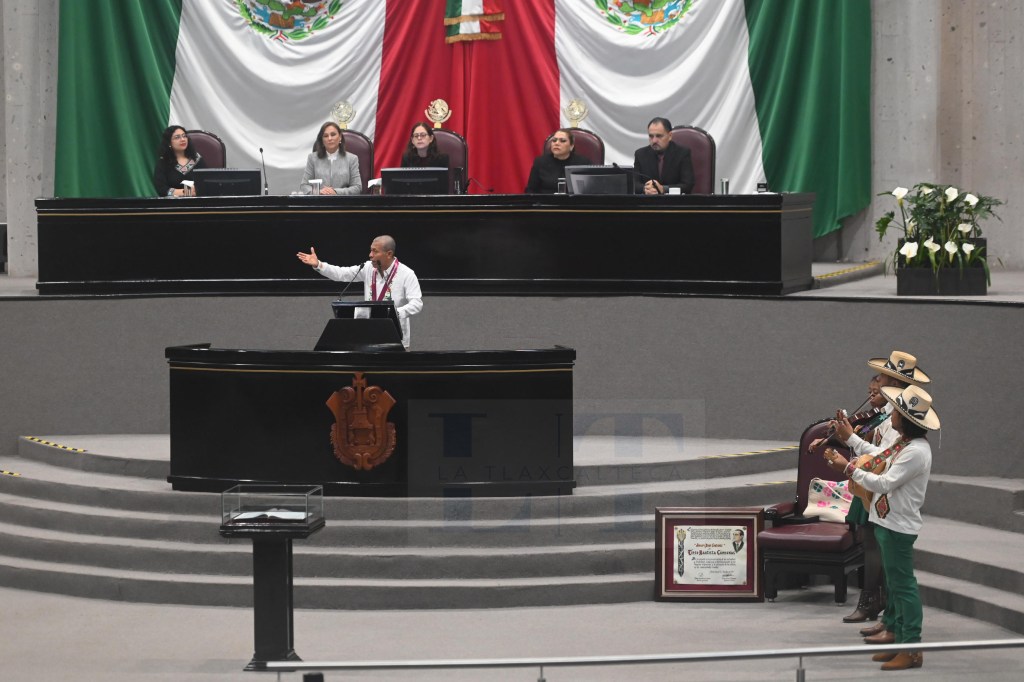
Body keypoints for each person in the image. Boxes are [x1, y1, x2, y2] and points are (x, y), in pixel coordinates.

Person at [823, 384, 939, 671]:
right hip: (887, 520)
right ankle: (899, 638)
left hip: (898, 525)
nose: (891, 414)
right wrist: (851, 439)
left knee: (903, 587)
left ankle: (912, 648)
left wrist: (846, 468)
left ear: (906, 419)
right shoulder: (904, 444)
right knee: (896, 586)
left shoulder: (915, 452)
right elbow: (877, 456)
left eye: (897, 411)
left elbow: (884, 482)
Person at [812, 351, 930, 626]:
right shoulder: (885, 412)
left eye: (882, 377)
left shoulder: (901, 420)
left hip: (884, 490)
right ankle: (888, 618)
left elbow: (886, 458)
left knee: (886, 558)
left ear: (896, 382)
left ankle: (885, 613)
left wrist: (849, 453)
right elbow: (876, 452)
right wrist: (844, 437)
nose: (876, 382)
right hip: (871, 480)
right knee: (873, 544)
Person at [296, 235, 422, 348]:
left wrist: (394, 313)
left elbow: (417, 304)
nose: (370, 255)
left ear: (389, 254)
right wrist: (318, 264)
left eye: (375, 251)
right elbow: (342, 274)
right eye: (371, 250)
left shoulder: (407, 274)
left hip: (396, 338)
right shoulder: (367, 268)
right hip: (368, 335)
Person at [633, 117, 694, 195]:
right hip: (648, 204)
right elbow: (635, 184)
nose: (654, 140)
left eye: (659, 136)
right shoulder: (640, 154)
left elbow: (688, 185)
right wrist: (645, 189)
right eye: (651, 136)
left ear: (670, 136)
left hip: (673, 203)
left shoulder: (682, 153)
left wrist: (664, 189)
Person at [300, 121, 362, 195]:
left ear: (340, 137)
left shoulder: (352, 159)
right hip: (319, 203)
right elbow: (304, 185)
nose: (329, 138)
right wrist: (318, 192)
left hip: (342, 203)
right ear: (322, 141)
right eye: (325, 136)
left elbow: (357, 187)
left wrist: (336, 192)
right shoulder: (312, 158)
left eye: (333, 135)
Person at [524, 128, 593, 193]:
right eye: (554, 140)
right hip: (546, 203)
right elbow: (531, 190)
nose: (556, 143)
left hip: (573, 204)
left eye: (562, 140)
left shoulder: (583, 163)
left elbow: (590, 190)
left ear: (571, 146)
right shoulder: (540, 162)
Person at [153, 125, 206, 197]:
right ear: (169, 143)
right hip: (172, 205)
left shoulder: (196, 159)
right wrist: (186, 192)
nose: (183, 139)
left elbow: (206, 183)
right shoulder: (164, 162)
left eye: (184, 136)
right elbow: (161, 189)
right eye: (177, 137)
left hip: (197, 203)